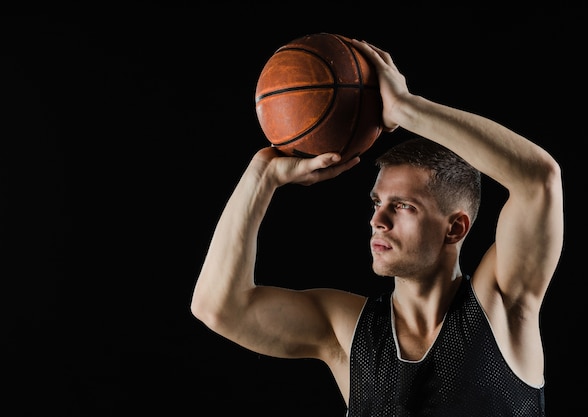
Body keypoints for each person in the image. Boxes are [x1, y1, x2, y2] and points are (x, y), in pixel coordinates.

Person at [190, 39, 563, 416]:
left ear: (455, 228)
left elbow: (538, 181)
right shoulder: (348, 331)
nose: (377, 220)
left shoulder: (501, 305)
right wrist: (261, 176)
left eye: (402, 206)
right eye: (376, 202)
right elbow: (218, 306)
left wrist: (407, 108)